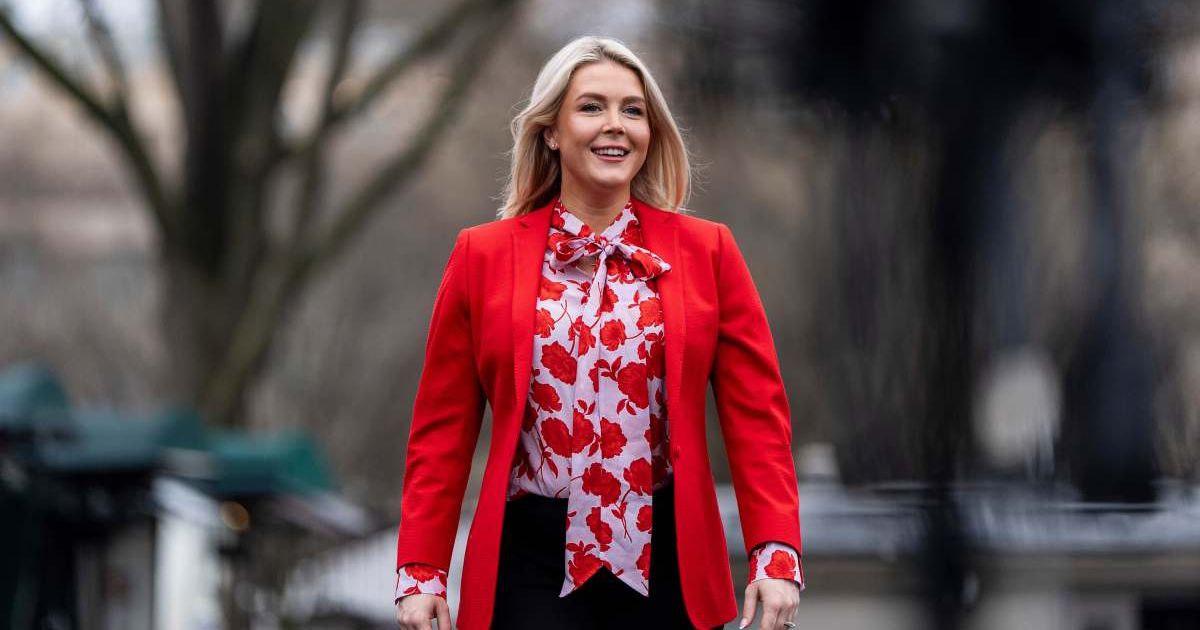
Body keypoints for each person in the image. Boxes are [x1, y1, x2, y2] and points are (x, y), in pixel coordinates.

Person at [393, 36, 804, 630]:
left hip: (672, 567)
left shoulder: (709, 252)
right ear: (551, 132)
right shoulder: (481, 257)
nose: (615, 125)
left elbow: (758, 419)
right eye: (591, 107)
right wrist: (421, 570)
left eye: (632, 110)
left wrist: (775, 551)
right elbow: (440, 432)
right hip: (530, 568)